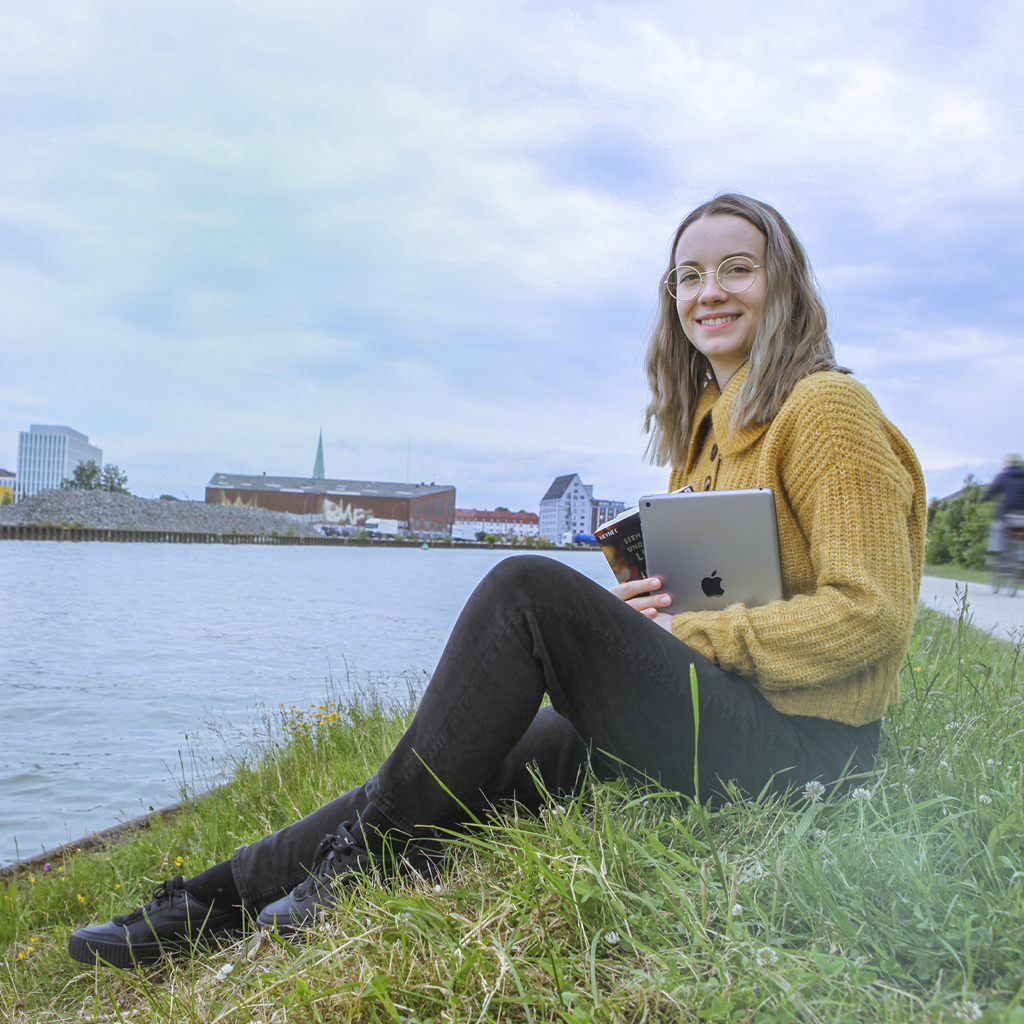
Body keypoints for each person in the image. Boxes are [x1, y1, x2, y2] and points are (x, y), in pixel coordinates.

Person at [68, 194, 926, 969]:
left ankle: (358, 872)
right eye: (688, 275)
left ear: (784, 283)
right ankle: (209, 903)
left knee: (526, 589)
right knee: (448, 766)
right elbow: (731, 587)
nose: (711, 291)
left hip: (807, 754)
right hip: (722, 708)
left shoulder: (825, 409)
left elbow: (873, 613)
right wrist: (653, 608)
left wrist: (688, 635)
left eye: (737, 268)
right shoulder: (706, 428)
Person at [983, 454, 1024, 555]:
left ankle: (995, 553)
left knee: (997, 528)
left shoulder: (1002, 476)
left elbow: (992, 491)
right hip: (1022, 514)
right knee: (1019, 534)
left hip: (1008, 513)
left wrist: (985, 498)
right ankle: (1021, 557)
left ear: (1006, 463)